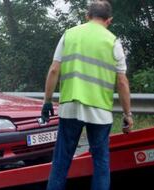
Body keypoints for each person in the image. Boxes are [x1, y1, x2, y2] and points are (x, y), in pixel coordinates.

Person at [42, 1, 133, 190]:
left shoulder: (70, 35)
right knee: (101, 163)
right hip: (100, 111)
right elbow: (122, 82)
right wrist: (127, 115)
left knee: (61, 161)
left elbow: (54, 70)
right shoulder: (113, 41)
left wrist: (47, 101)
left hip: (70, 107)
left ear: (87, 15)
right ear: (109, 20)